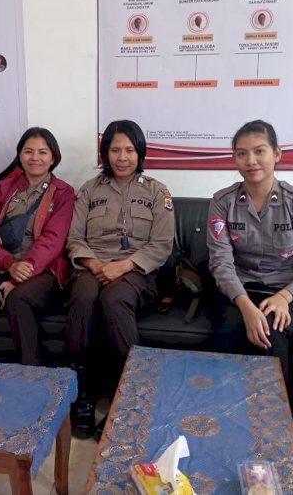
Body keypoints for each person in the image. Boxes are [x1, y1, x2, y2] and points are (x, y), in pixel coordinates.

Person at [66, 119, 174, 437]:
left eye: (129, 150)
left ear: (140, 153)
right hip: (91, 266)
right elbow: (74, 239)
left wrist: (123, 266)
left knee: (114, 299)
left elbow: (161, 245)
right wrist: (93, 263)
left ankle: (126, 396)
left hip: (138, 271)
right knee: (84, 296)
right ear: (105, 153)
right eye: (115, 150)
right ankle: (83, 392)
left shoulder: (157, 191)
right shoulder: (89, 190)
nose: (122, 157)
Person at [207, 120, 293, 382]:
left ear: (276, 154)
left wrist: (284, 297)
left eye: (259, 151)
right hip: (241, 288)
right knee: (230, 331)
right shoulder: (222, 202)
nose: (250, 160)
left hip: (291, 289)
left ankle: (275, 407)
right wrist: (246, 307)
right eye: (242, 153)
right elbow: (220, 263)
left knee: (272, 328)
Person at [0, 128, 74, 365]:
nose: (35, 157)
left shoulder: (63, 192)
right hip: (5, 264)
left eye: (42, 152)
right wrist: (10, 265)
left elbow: (54, 239)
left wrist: (24, 269)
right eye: (28, 151)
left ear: (53, 158)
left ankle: (31, 372)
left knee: (19, 299)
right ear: (20, 155)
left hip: (44, 269)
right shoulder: (3, 189)